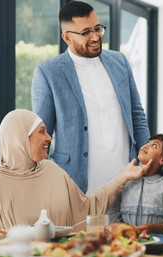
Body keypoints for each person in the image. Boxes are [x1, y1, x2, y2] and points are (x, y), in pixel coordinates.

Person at [31, 1, 150, 195]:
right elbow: (41, 134)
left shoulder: (120, 62)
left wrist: (148, 163)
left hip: (128, 183)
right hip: (77, 187)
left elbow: (137, 115)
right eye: (86, 32)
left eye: (98, 28)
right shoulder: (48, 72)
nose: (95, 37)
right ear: (67, 37)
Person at [0, 109, 151, 230]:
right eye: (41, 131)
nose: (49, 137)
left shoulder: (52, 171)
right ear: (19, 138)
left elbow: (89, 209)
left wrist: (123, 177)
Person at [109, 134, 163, 235]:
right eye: (147, 143)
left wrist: (150, 228)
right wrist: (124, 228)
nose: (146, 145)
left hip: (155, 244)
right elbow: (112, 213)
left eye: (154, 145)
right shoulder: (127, 179)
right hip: (126, 243)